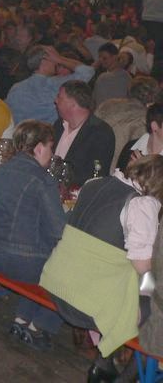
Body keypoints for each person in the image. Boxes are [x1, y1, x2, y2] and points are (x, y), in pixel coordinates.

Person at [41, 155, 163, 382]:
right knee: (155, 308)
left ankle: (105, 363)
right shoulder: (142, 205)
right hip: (85, 303)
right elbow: (143, 265)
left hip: (57, 286)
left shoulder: (94, 184)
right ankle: (119, 373)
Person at [0, 120, 66, 350]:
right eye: (50, 147)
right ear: (38, 148)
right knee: (68, 270)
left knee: (45, 259)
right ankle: (40, 326)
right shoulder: (42, 179)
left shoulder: (2, 170)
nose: (52, 153)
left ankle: (21, 320)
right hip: (20, 262)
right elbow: (59, 230)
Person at [6, 45, 95, 124]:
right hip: (49, 135)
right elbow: (88, 71)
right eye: (53, 59)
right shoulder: (55, 85)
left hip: (21, 135)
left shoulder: (16, 88)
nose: (56, 63)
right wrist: (60, 58)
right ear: (44, 61)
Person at [53, 80, 115, 187]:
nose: (55, 101)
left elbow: (95, 176)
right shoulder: (59, 125)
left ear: (72, 103)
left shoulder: (100, 134)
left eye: (59, 97)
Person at [96, 76, 160, 172]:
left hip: (90, 160)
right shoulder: (144, 121)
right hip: (113, 171)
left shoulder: (107, 104)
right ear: (153, 97)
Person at [93, 43, 131, 107]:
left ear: (114, 57)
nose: (101, 60)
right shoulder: (127, 76)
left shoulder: (103, 78)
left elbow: (96, 100)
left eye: (104, 58)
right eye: (99, 57)